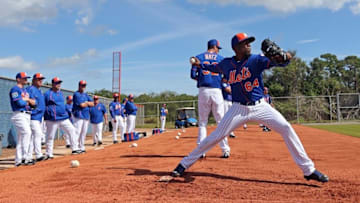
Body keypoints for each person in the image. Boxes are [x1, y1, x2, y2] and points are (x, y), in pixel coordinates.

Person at [171, 33, 329, 183]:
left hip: (261, 106)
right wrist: (200, 63)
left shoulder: (256, 60)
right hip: (238, 109)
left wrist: (284, 56)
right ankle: (184, 164)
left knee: (286, 128)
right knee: (216, 136)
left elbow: (282, 61)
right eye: (245, 43)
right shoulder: (227, 64)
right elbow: (213, 67)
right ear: (236, 48)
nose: (249, 45)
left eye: (249, 43)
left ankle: (309, 170)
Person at [190, 39, 230, 158]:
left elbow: (192, 75)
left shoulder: (198, 57)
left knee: (203, 122)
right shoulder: (221, 58)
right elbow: (227, 76)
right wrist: (220, 80)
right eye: (218, 48)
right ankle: (225, 150)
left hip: (203, 90)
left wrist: (202, 79)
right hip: (217, 90)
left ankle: (201, 150)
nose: (218, 50)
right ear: (215, 47)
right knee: (221, 122)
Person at [44, 77, 80, 159]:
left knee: (72, 130)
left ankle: (75, 148)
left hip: (63, 117)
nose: (59, 84)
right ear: (53, 84)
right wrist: (47, 115)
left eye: (59, 83)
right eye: (57, 83)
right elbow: (43, 105)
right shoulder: (47, 94)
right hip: (52, 118)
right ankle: (49, 154)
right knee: (50, 136)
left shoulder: (60, 93)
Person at [9, 72, 36, 166]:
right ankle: (26, 157)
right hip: (19, 114)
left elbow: (34, 104)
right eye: (24, 78)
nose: (26, 79)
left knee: (21, 138)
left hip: (27, 114)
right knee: (27, 133)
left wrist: (27, 100)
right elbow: (19, 103)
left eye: (26, 78)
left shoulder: (25, 91)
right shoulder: (15, 89)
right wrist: (28, 100)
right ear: (18, 79)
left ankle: (18, 160)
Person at [26, 73, 46, 162]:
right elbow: (27, 101)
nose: (41, 80)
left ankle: (29, 156)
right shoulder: (30, 89)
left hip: (39, 117)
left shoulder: (40, 91)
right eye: (39, 79)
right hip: (33, 116)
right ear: (34, 80)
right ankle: (38, 155)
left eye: (41, 79)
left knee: (34, 136)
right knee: (37, 134)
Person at [72, 80, 94, 153]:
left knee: (83, 132)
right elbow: (82, 105)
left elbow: (93, 104)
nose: (84, 87)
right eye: (82, 85)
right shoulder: (76, 94)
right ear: (79, 86)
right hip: (78, 115)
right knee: (77, 132)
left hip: (86, 115)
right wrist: (87, 103)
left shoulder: (85, 95)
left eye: (84, 85)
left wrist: (86, 103)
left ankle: (81, 147)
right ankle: (75, 147)